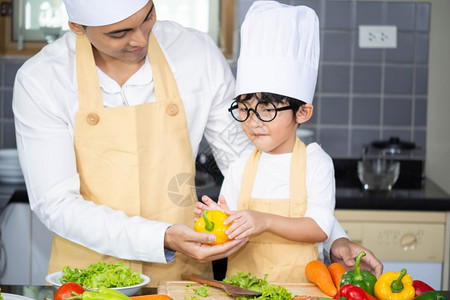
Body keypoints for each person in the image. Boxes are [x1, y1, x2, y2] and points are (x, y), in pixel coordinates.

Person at [13, 0, 381, 286]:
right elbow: (56, 203)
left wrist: (335, 239)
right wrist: (163, 237)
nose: (140, 39)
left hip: (183, 275)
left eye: (148, 17)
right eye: (119, 33)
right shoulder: (42, 79)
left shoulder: (194, 53)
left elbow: (257, 163)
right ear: (78, 26)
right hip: (88, 277)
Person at [195, 1, 383, 282]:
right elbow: (229, 230)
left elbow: (320, 227)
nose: (253, 120)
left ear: (303, 112)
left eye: (268, 109)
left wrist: (264, 221)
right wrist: (219, 221)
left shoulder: (315, 162)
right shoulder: (241, 165)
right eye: (244, 108)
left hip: (302, 289)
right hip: (243, 288)